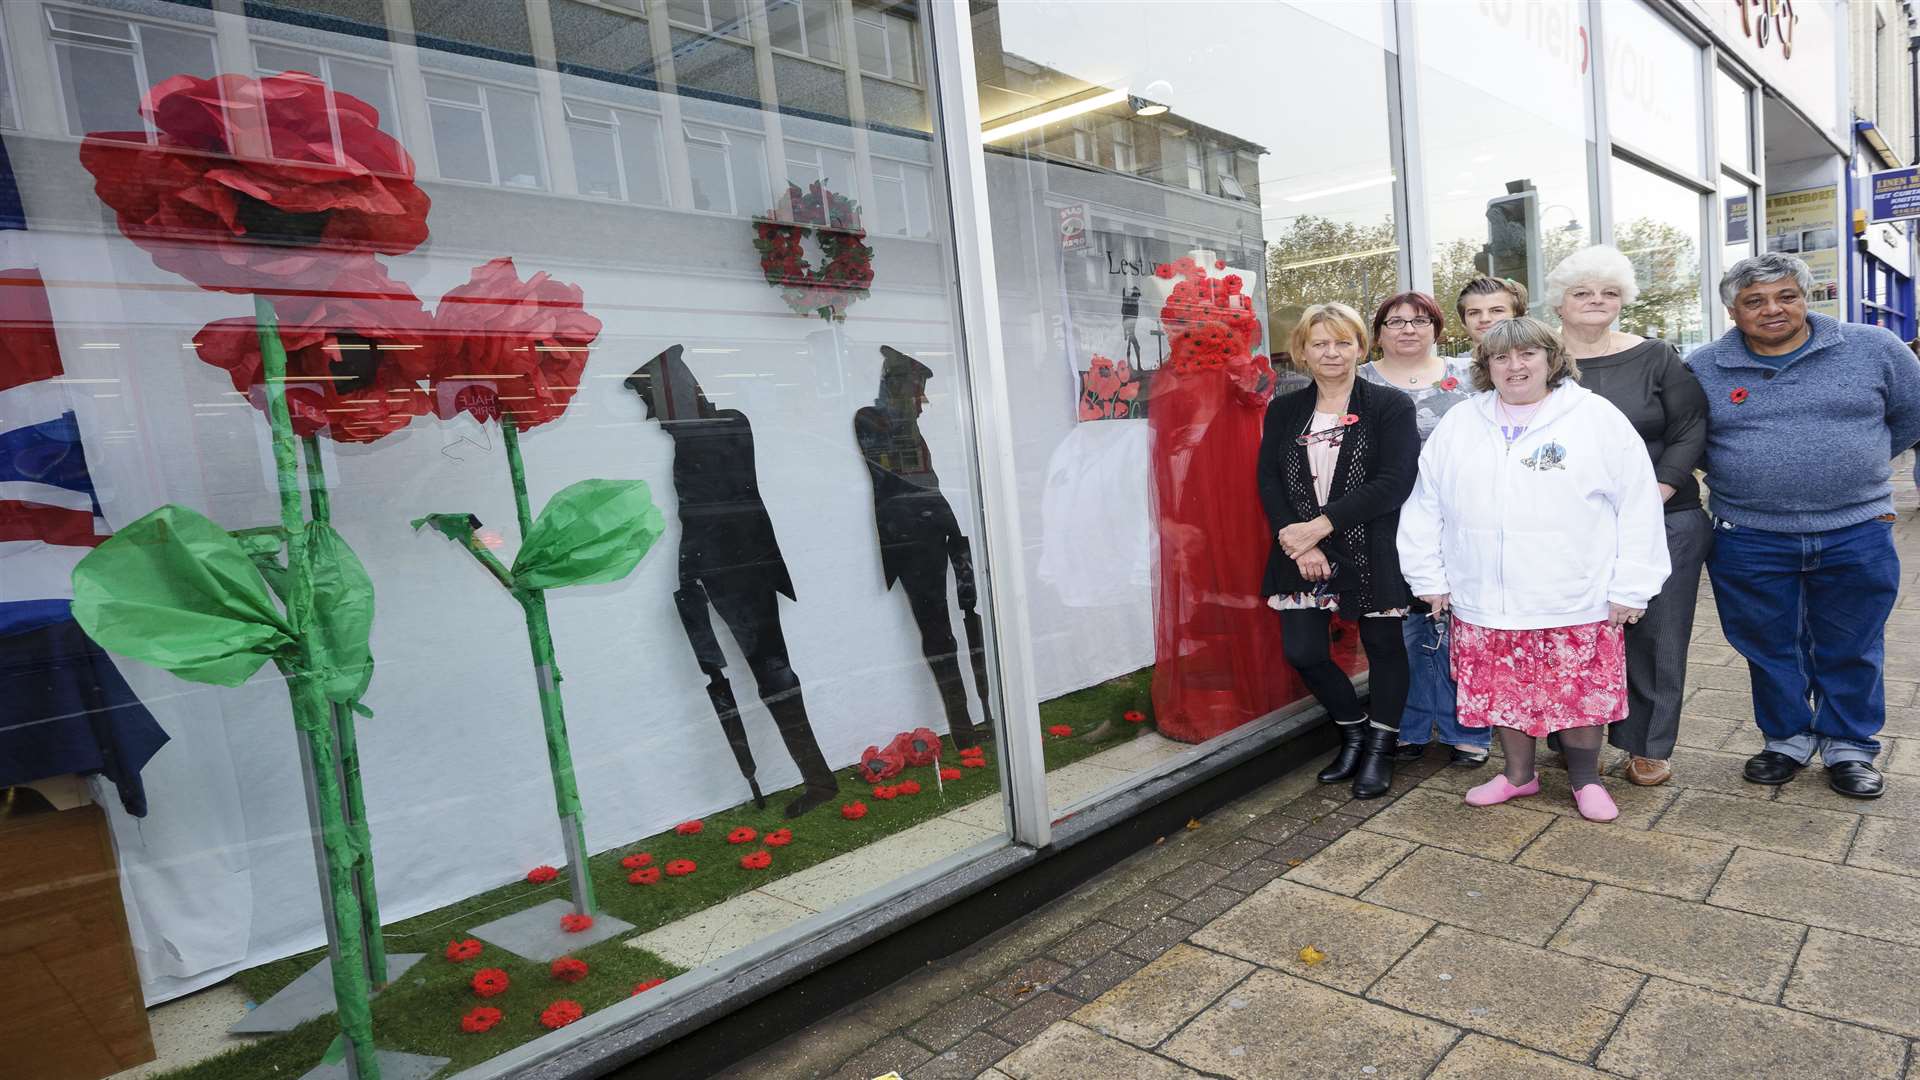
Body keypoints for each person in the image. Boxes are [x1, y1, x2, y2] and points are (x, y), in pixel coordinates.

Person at [1398, 317, 1670, 822]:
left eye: (1527, 355)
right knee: (1503, 695)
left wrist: (1633, 585)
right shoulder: (1462, 422)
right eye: (1500, 357)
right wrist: (1428, 577)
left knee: (1580, 697)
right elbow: (1425, 504)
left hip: (1573, 594)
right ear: (1486, 367)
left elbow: (1637, 504)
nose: (1514, 366)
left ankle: (1585, 780)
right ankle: (1517, 776)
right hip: (1485, 597)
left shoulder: (1594, 417)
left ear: (1552, 360)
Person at [1691, 253, 1920, 798]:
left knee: (1852, 642)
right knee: (1768, 644)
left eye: (1786, 296)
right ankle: (1787, 738)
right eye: (1755, 301)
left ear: (1807, 297)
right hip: (1748, 534)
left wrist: (1854, 468)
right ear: (1732, 309)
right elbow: (1690, 439)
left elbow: (1912, 416)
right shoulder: (1704, 367)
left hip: (1856, 529)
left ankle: (1849, 745)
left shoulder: (1874, 349)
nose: (1773, 309)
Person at [1545, 246, 1708, 787]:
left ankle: (1648, 744)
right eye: (1582, 292)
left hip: (1663, 517)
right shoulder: (1539, 359)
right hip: (1569, 523)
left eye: (1608, 292)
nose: (1596, 301)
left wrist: (1653, 492)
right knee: (1569, 629)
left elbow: (1689, 429)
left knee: (1657, 632)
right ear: (1559, 303)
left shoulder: (1655, 355)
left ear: (1623, 300)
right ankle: (1568, 734)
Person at [1259, 303, 1420, 798]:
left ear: (1359, 347)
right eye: (1320, 343)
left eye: (1343, 341)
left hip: (1372, 545)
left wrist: (1320, 527)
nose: (1332, 352)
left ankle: (1380, 748)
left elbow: (1394, 482)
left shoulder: (1390, 405)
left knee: (1385, 648)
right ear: (1303, 352)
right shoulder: (1283, 409)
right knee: (1303, 651)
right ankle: (1352, 730)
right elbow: (1270, 480)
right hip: (1299, 548)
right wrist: (1297, 537)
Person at [1358, 293, 1487, 767]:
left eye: (1419, 320)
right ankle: (1408, 728)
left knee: (1463, 628)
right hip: (1384, 521)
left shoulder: (1472, 378)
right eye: (1395, 321)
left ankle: (1467, 730)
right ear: (1379, 333)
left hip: (1459, 517)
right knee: (1404, 632)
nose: (1407, 329)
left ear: (1437, 328)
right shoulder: (1359, 380)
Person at [1457, 275, 1529, 344]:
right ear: (1464, 321)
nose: (1484, 319)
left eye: (1497, 311)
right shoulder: (1453, 357)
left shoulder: (1537, 356)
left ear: (1517, 315)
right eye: (1474, 313)